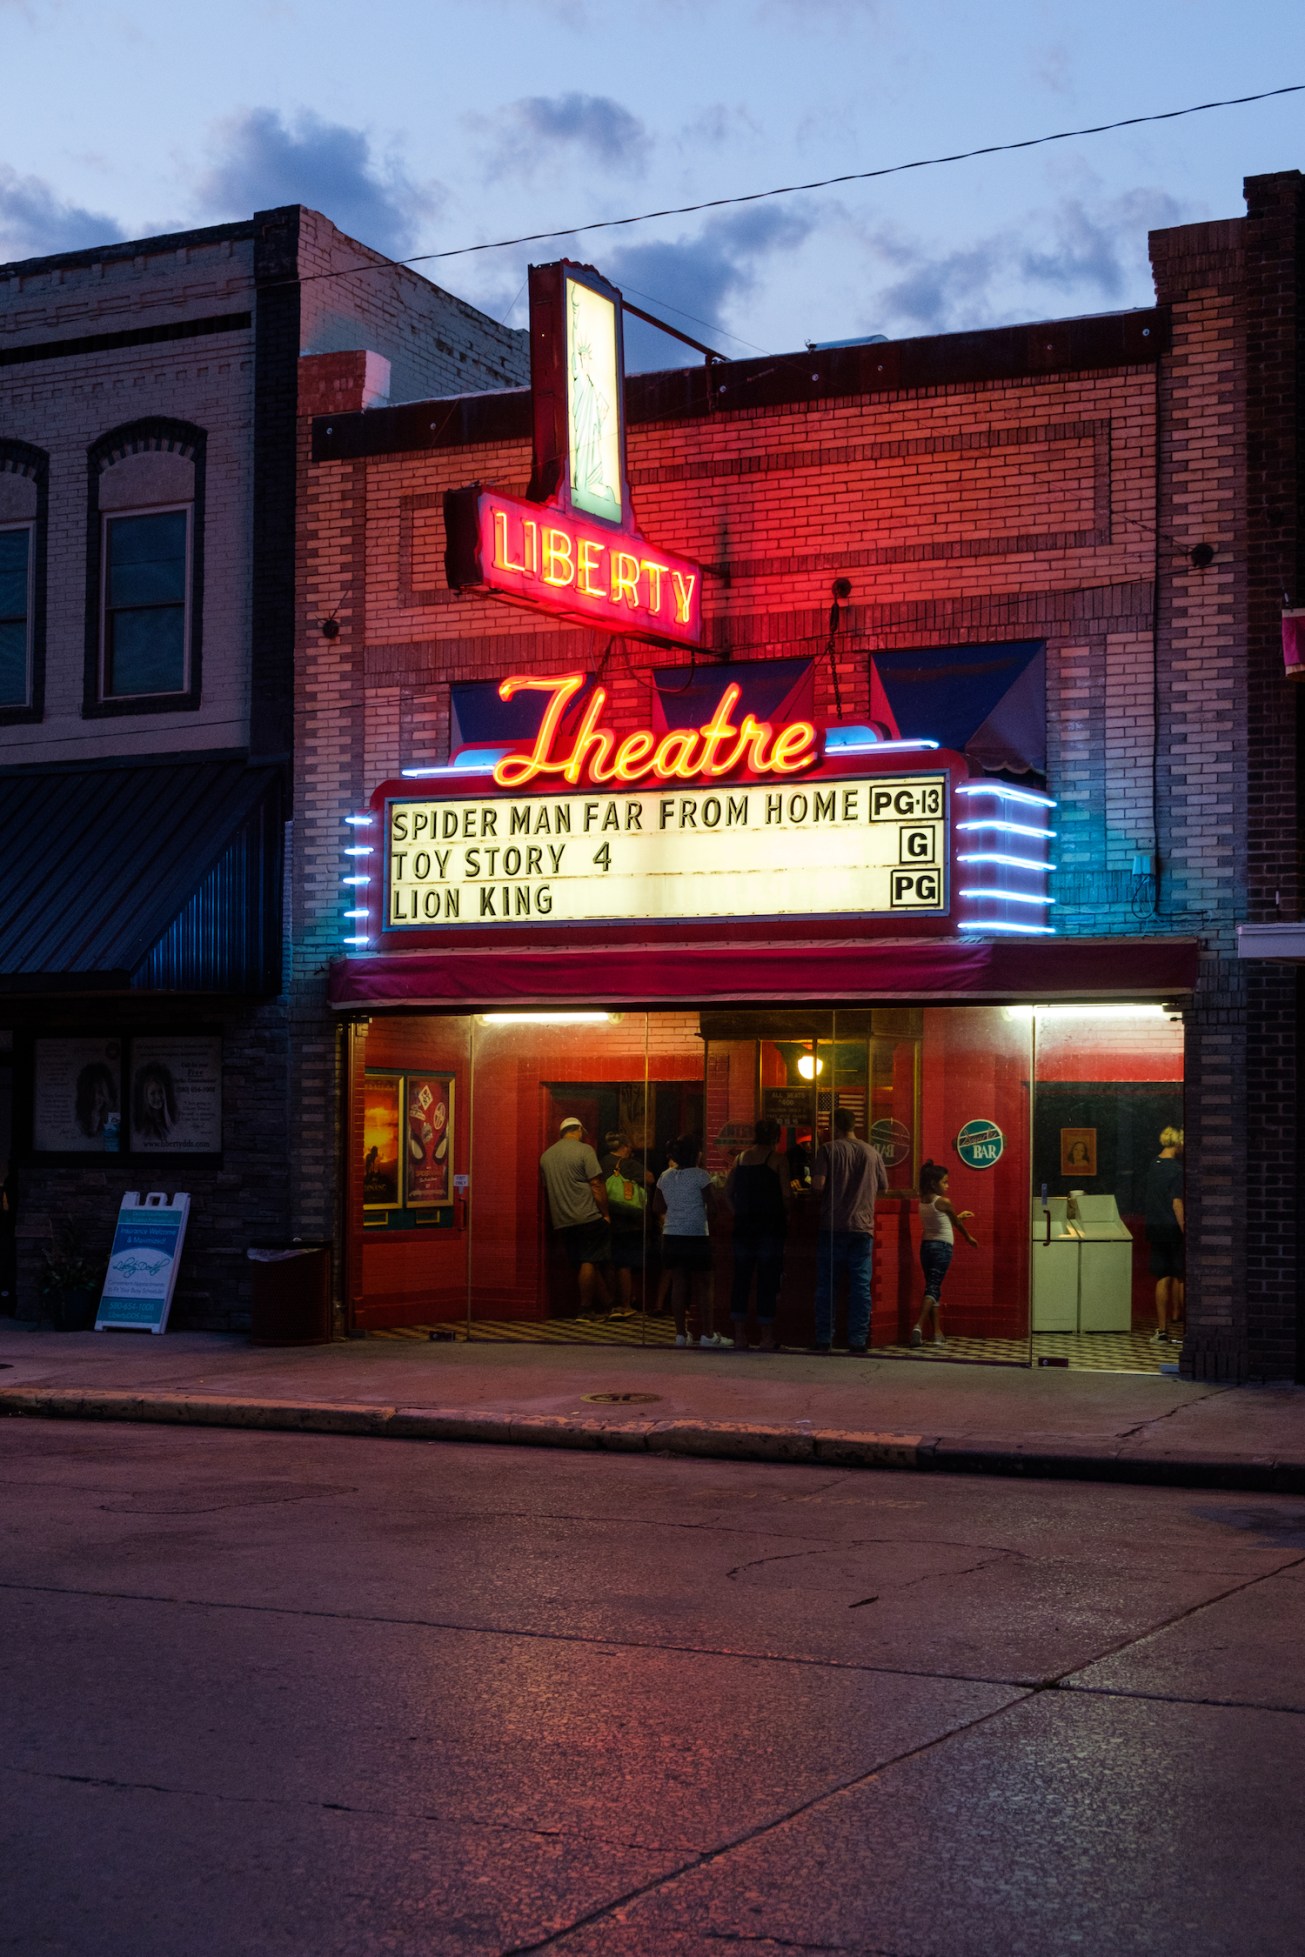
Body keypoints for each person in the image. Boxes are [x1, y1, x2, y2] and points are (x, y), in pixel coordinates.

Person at [811, 1107, 888, 1355]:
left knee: (827, 1285)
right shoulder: (872, 1152)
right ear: (854, 1125)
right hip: (862, 1227)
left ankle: (824, 1338)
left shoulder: (828, 1150)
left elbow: (818, 1186)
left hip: (832, 1226)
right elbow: (884, 1188)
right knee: (861, 1286)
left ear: (835, 1126)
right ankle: (858, 1338)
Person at [654, 1134, 728, 1348]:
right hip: (696, 1234)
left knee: (678, 1283)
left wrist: (676, 1210)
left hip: (672, 1234)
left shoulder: (664, 1177)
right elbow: (713, 1207)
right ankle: (707, 1334)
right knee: (705, 1284)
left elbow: (657, 1207)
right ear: (695, 1154)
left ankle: (680, 1334)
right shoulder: (701, 1176)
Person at [725, 1116, 791, 1351]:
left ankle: (740, 1336)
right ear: (775, 1136)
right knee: (768, 1280)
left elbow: (727, 1192)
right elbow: (785, 1195)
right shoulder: (778, 1160)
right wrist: (787, 1214)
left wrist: (738, 1213)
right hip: (770, 1228)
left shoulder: (740, 1158)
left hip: (744, 1227)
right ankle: (766, 1337)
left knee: (741, 1279)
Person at [539, 1116, 611, 1317]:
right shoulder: (585, 1150)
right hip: (587, 1215)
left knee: (585, 1261)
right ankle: (586, 1308)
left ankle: (607, 1304)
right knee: (589, 1260)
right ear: (578, 1129)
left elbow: (547, 1187)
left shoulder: (546, 1156)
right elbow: (596, 1185)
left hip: (562, 1219)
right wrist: (605, 1214)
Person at [911, 1160, 978, 1348]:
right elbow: (956, 1223)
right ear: (934, 1183)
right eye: (944, 1182)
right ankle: (918, 1326)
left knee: (933, 1288)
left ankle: (937, 1332)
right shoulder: (943, 1202)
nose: (947, 1186)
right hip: (942, 1247)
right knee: (933, 1288)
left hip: (926, 1246)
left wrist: (959, 1217)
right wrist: (969, 1237)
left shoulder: (923, 1200)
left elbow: (946, 1219)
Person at [1144, 1125, 1185, 1343]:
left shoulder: (1153, 1165)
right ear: (1177, 1143)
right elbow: (1177, 1203)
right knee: (1182, 1277)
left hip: (1155, 1227)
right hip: (1172, 1228)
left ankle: (1161, 1330)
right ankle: (1185, 1325)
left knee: (1162, 1276)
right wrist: (1184, 1229)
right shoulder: (1177, 1170)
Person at [603, 1131, 648, 1316]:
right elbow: (650, 1178)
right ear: (625, 1147)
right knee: (625, 1264)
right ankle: (625, 1304)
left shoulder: (602, 1162)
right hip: (629, 1222)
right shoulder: (630, 1164)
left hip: (607, 1218)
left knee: (610, 1263)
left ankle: (610, 1302)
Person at [132, 1061, 177, 1143]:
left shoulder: (168, 1123)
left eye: (160, 1092)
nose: (158, 1097)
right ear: (146, 1097)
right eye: (152, 1093)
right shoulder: (145, 1129)